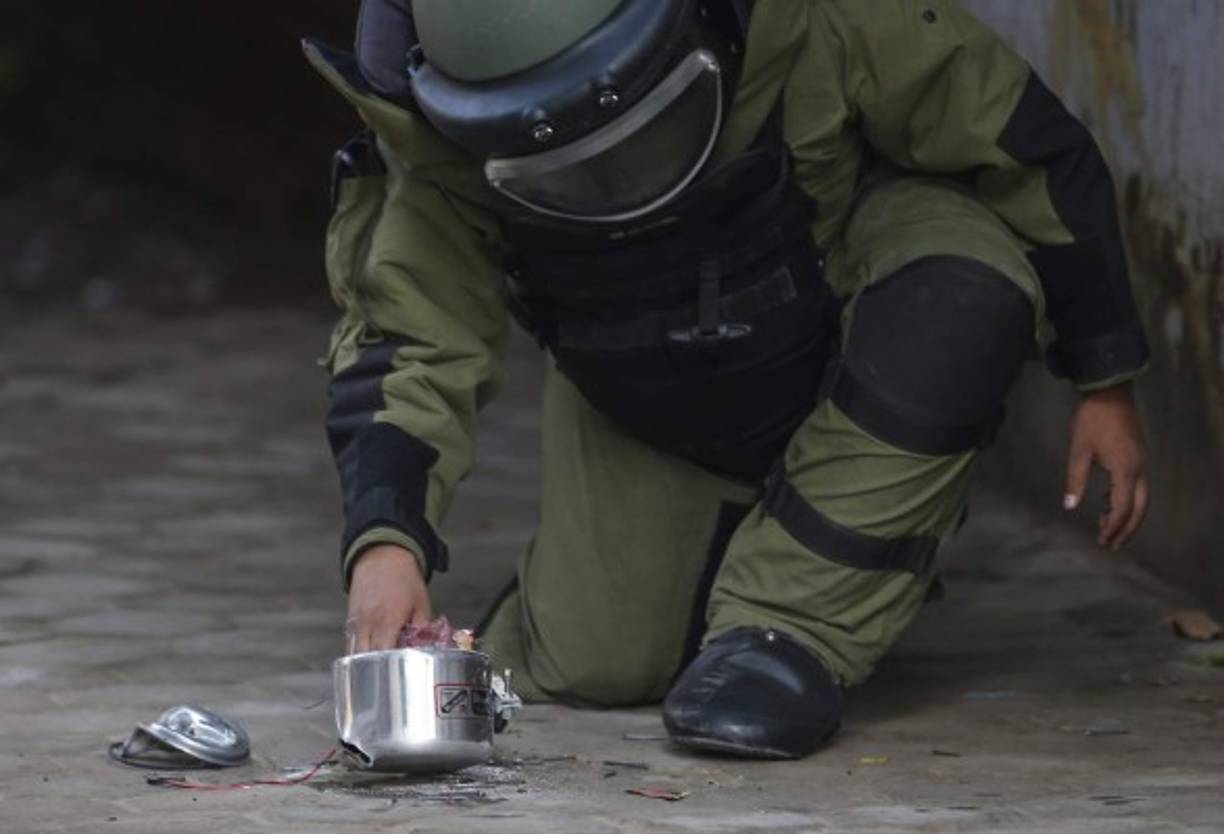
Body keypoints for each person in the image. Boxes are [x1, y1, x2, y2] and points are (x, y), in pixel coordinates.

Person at [305, 0, 1151, 759]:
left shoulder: (814, 21)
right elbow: (410, 337)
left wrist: (1104, 379)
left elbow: (1025, 140)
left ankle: (787, 627)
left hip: (846, 299)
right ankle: (748, 549)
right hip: (649, 395)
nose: (606, 175)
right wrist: (386, 544)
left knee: (965, 292)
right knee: (592, 665)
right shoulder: (440, 139)